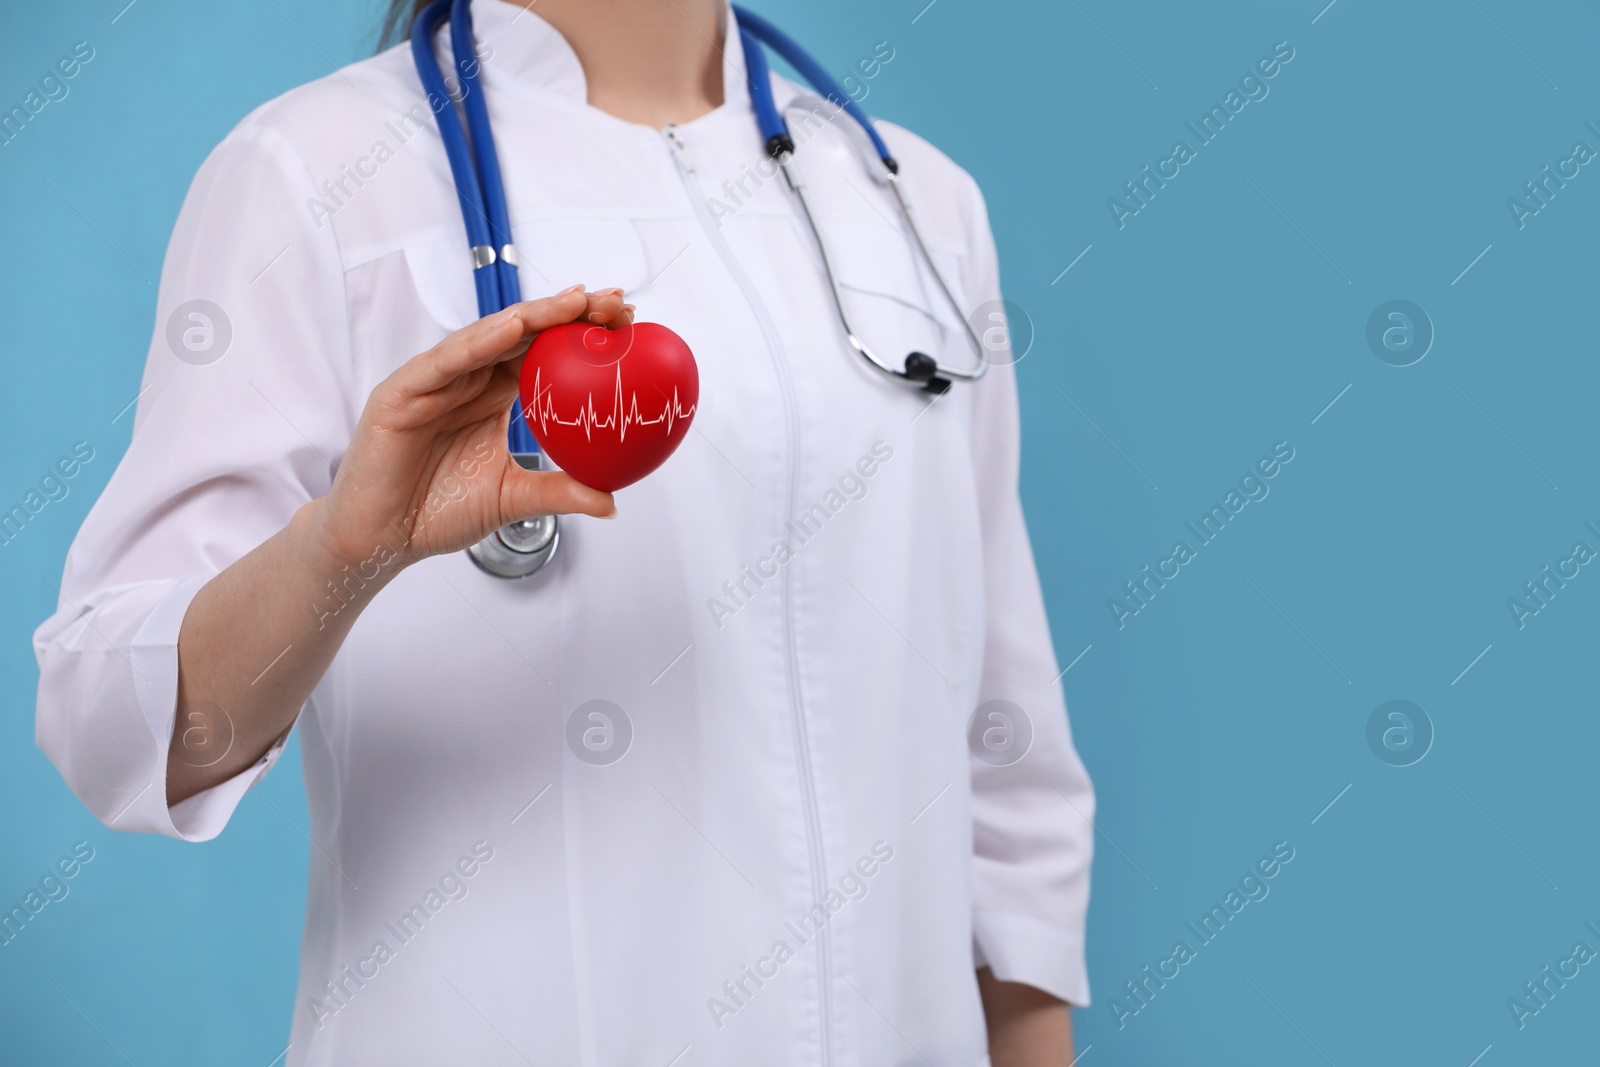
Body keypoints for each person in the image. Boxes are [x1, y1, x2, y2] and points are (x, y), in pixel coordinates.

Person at [33, 1, 1095, 1063]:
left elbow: (1007, 763)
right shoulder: (320, 173)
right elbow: (118, 730)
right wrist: (342, 554)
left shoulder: (912, 198)